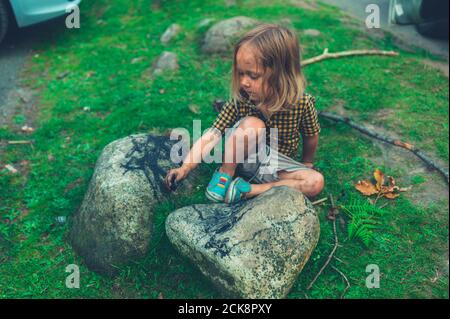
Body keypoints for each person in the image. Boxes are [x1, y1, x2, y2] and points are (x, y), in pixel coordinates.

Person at [165, 24, 324, 204]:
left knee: (316, 182)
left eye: (253, 76)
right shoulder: (242, 99)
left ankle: (248, 190)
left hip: (276, 167)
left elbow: (311, 135)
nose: (243, 82)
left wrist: (307, 162)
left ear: (280, 74)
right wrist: (185, 167)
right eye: (241, 74)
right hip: (243, 158)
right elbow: (213, 134)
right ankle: (225, 175)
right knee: (253, 125)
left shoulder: (301, 103)